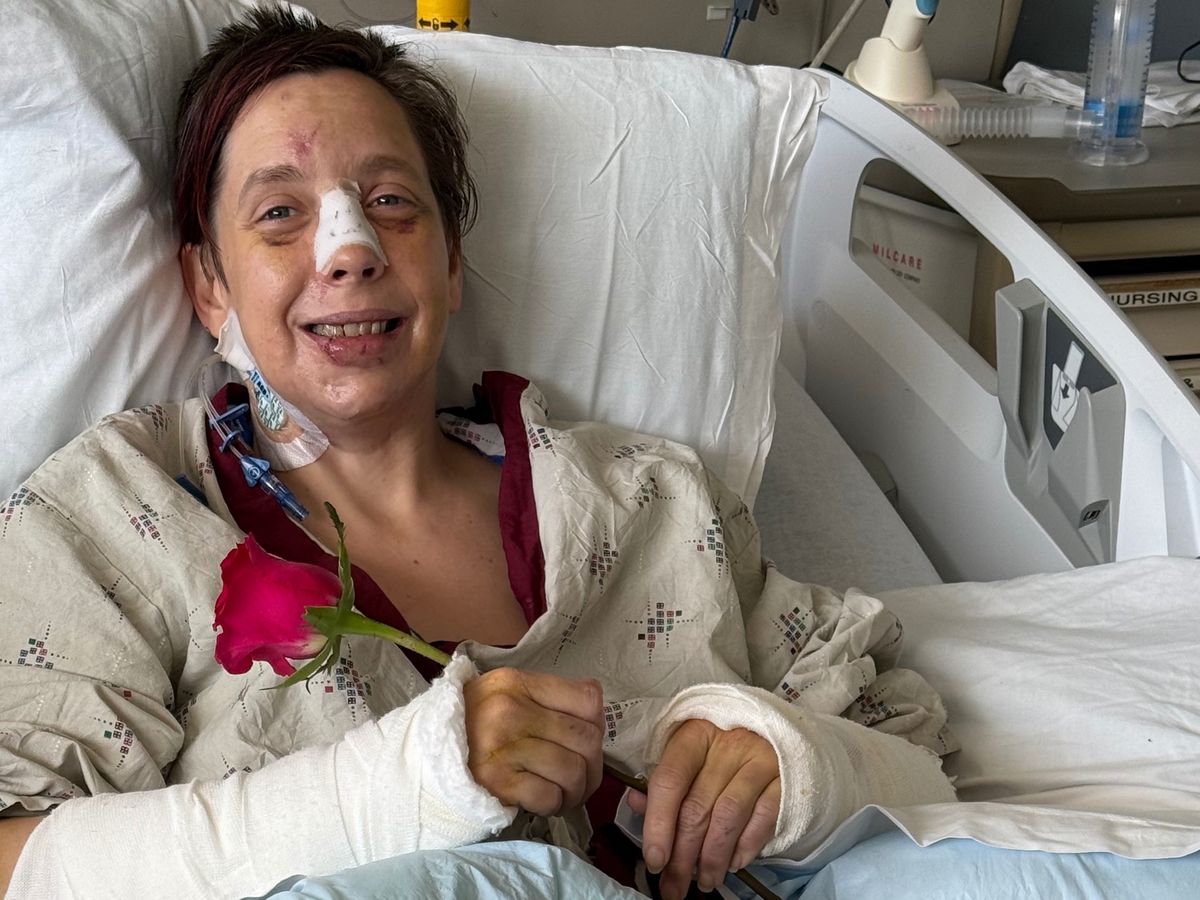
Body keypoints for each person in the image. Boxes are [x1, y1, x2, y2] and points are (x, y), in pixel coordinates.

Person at [0, 6, 957, 898]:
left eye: (390, 201)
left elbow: (915, 759)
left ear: (452, 267)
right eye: (280, 214)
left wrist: (793, 762)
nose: (350, 250)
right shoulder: (119, 518)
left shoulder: (651, 504)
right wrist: (404, 785)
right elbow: (15, 861)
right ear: (209, 284)